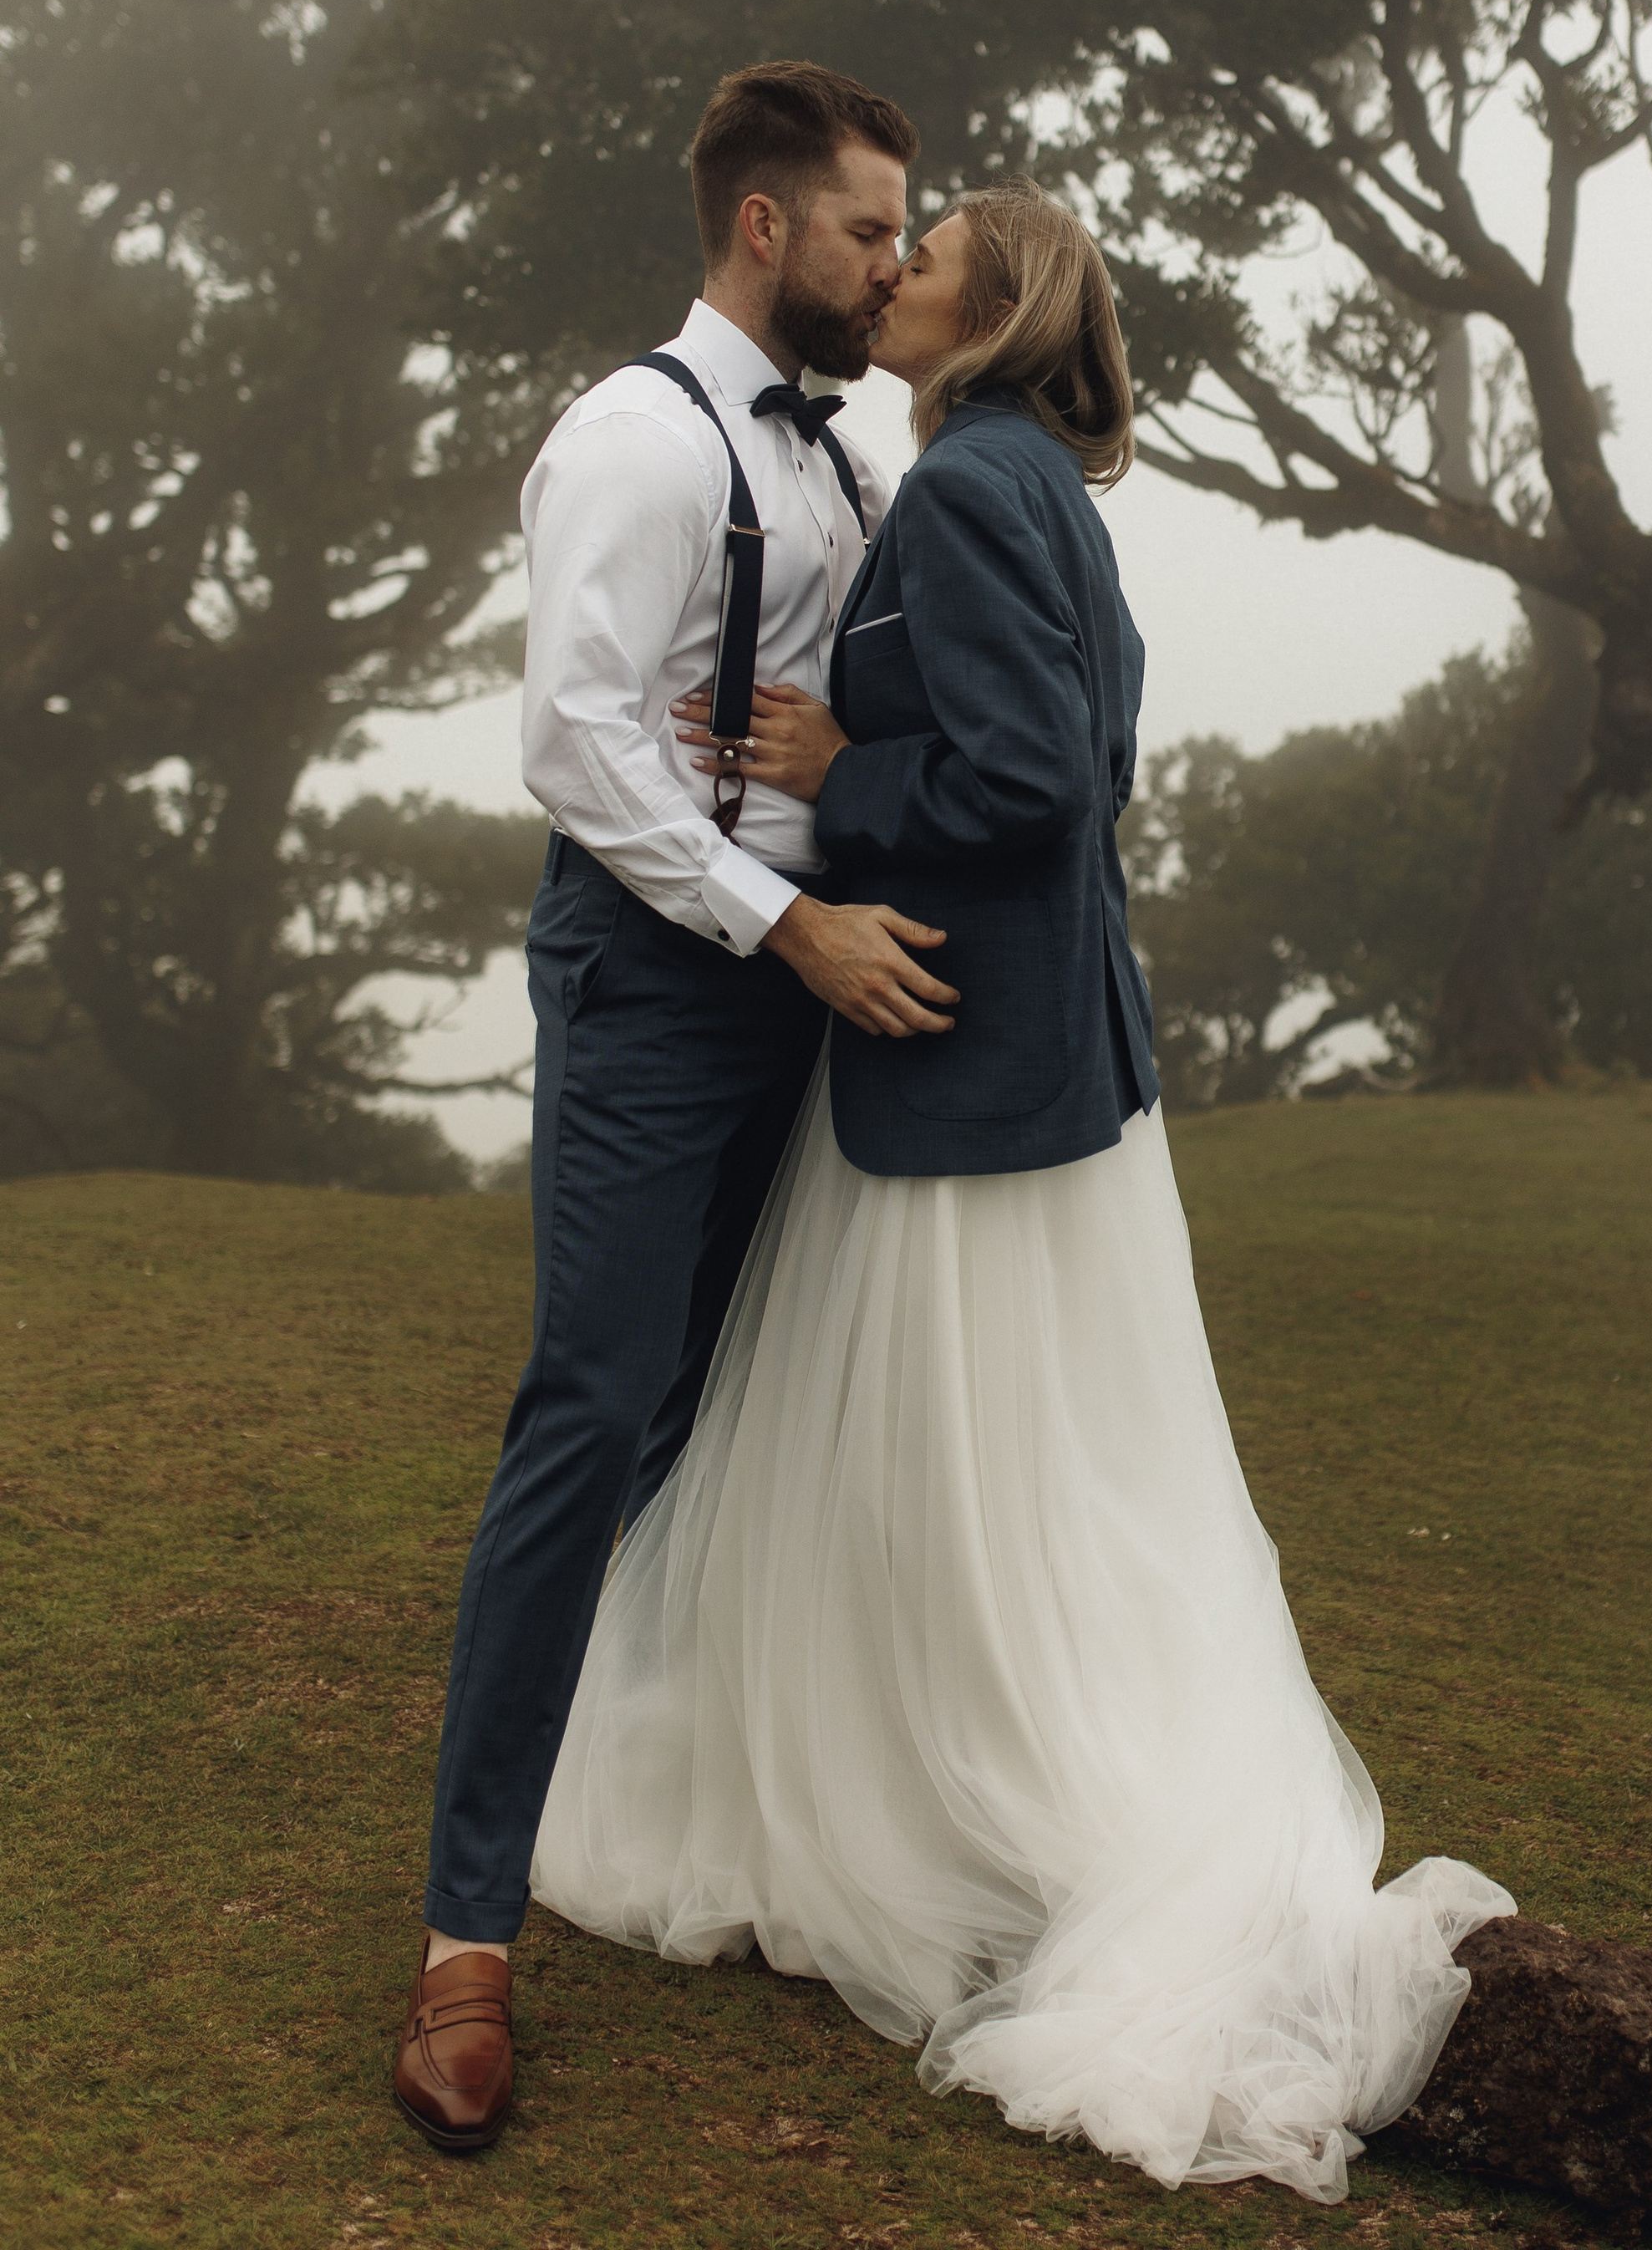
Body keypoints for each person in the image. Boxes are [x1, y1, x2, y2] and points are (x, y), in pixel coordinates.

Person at [529, 179, 1514, 2204]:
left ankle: (957, 1807)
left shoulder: (974, 488)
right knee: (1027, 1465)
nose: (895, 269)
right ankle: (962, 1778)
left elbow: (1049, 774)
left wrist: (837, 771)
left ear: (996, 302)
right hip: (1049, 1056)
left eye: (930, 248)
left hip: (962, 1059)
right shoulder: (1034, 484)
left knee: (937, 1463)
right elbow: (1104, 738)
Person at [394, 59, 967, 2156]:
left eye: (900, 234)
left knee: (733, 1413)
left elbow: (837, 719)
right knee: (593, 1405)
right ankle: (465, 1942)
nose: (891, 263)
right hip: (660, 980)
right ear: (762, 225)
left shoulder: (849, 464)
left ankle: (651, 1806)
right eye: (869, 229)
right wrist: (781, 924)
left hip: (815, 987)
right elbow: (574, 748)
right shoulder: (634, 442)